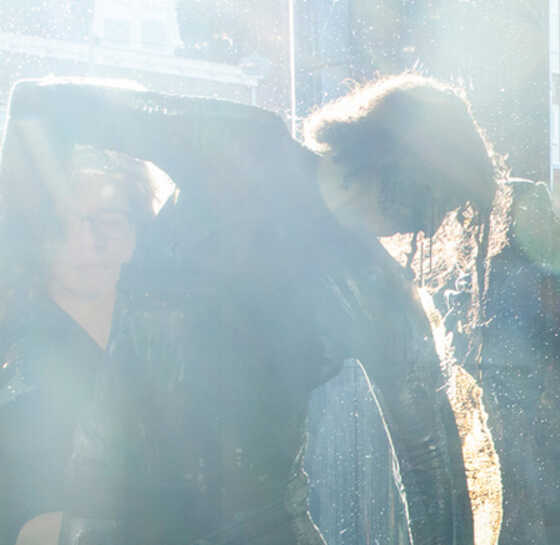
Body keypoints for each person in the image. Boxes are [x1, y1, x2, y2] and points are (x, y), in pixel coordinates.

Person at [3, 74, 497, 545]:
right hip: (115, 507)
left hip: (239, 525)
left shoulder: (377, 293)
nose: (429, 225)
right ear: (391, 154)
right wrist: (26, 249)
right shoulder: (239, 145)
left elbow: (436, 472)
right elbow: (40, 104)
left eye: (444, 208)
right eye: (432, 195)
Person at [0, 143, 155, 545]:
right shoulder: (14, 355)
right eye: (65, 223)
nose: (89, 241)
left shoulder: (166, 333)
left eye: (110, 220)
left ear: (136, 232)